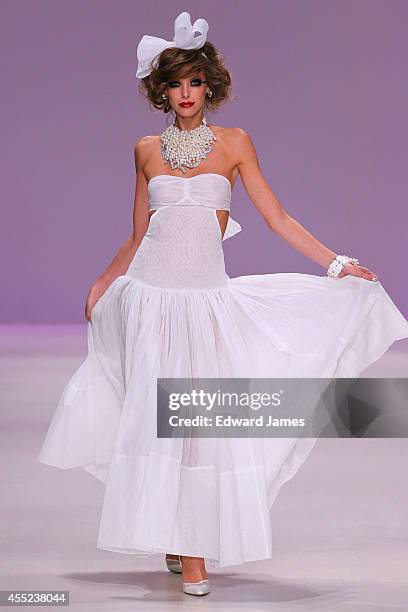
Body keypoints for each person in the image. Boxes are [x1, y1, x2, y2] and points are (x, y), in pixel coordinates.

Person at [38, 11, 408, 597]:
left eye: (194, 81)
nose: (186, 93)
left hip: (205, 303)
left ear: (210, 85)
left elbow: (277, 217)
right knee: (161, 426)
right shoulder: (145, 149)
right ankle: (179, 539)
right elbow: (138, 233)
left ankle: (194, 548)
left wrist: (336, 263)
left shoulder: (235, 145)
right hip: (152, 302)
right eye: (175, 83)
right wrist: (104, 281)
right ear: (162, 91)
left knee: (199, 425)